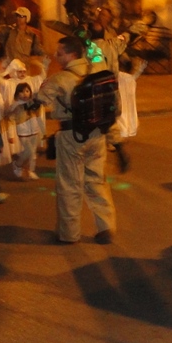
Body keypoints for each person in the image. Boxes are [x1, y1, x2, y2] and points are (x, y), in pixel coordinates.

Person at [36, 35, 116, 244]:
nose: (56, 56)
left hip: (71, 136)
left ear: (72, 55)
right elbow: (113, 105)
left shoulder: (59, 78)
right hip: (97, 135)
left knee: (69, 185)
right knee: (97, 182)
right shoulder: (98, 72)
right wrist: (115, 138)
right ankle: (106, 227)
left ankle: (69, 234)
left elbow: (39, 100)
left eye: (59, 53)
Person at [7, 82, 43, 180]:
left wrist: (42, 130)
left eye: (27, 91)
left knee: (33, 152)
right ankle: (17, 164)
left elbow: (39, 116)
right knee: (29, 151)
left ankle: (31, 170)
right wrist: (10, 135)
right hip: (23, 131)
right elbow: (10, 119)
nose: (25, 94)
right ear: (17, 93)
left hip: (34, 130)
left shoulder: (32, 103)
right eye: (22, 92)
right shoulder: (15, 105)